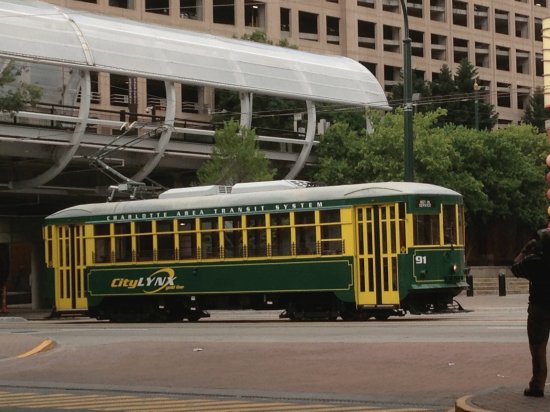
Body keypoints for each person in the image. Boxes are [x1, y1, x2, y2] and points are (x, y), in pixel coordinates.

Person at [513, 229, 550, 397]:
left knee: (538, 348)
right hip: (539, 308)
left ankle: (537, 385)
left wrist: (525, 251)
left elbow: (515, 268)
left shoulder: (534, 262)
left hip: (539, 308)